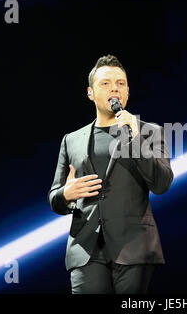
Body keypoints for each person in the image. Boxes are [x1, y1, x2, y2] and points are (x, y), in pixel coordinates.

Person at [48, 55, 173, 294]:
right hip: (85, 248)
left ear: (127, 93)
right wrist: (66, 194)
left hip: (134, 245)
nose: (114, 87)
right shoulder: (71, 140)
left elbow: (161, 183)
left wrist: (135, 138)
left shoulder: (149, 132)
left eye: (121, 83)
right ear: (90, 93)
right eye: (105, 83)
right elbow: (54, 197)